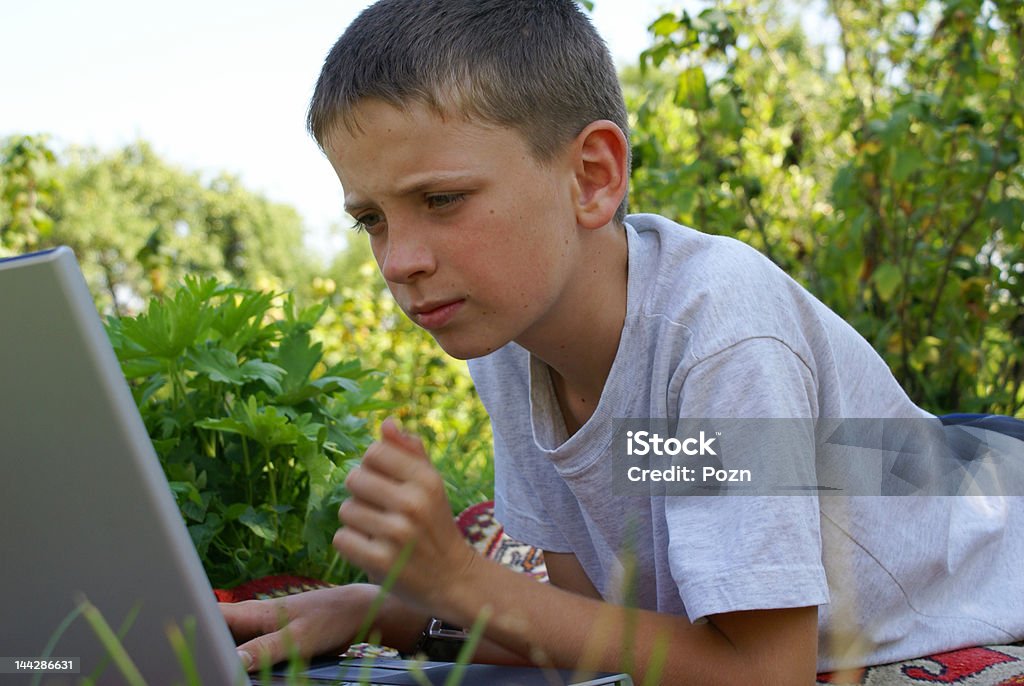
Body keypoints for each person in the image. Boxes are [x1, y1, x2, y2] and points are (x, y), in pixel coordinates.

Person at [221, 1, 1024, 683]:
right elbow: (603, 625)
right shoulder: (509, 336)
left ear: (593, 176)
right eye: (372, 220)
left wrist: (464, 580)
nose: (399, 261)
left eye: (441, 199)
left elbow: (763, 672)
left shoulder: (719, 331)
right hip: (865, 456)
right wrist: (381, 610)